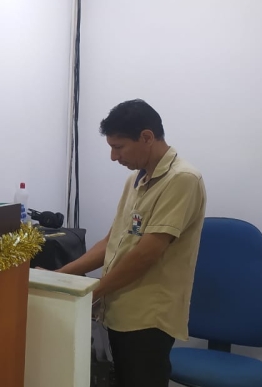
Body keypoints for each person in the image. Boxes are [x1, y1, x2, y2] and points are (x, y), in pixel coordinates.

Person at [56, 99, 206, 387]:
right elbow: (111, 241)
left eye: (119, 147)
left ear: (147, 137)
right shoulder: (136, 180)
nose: (114, 157)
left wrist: (91, 292)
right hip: (119, 309)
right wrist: (61, 276)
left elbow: (146, 254)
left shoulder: (182, 180)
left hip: (148, 318)